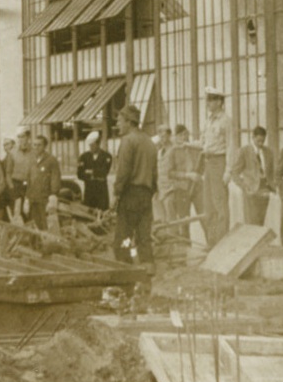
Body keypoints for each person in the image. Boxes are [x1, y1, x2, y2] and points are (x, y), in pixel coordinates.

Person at [112, 104, 157, 264]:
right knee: (144, 239)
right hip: (146, 196)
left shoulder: (128, 141)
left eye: (119, 121)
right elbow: (154, 175)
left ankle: (127, 279)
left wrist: (117, 193)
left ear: (129, 122)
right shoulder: (149, 142)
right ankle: (147, 280)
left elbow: (123, 172)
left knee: (123, 241)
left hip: (130, 196)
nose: (117, 124)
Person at [199, 87, 234, 247]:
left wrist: (228, 170)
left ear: (220, 101)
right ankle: (212, 243)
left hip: (219, 164)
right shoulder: (209, 120)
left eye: (211, 100)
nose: (208, 103)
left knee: (220, 205)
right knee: (209, 205)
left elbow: (230, 146)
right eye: (207, 100)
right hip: (208, 163)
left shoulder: (226, 120)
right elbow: (203, 144)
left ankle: (222, 244)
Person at [165, 125, 203, 240]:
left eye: (186, 134)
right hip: (181, 190)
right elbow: (170, 173)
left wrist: (199, 175)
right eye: (180, 135)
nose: (184, 137)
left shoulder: (194, 149)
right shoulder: (172, 152)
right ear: (175, 137)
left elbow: (202, 164)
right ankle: (186, 251)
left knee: (206, 218)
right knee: (184, 223)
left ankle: (213, 248)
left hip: (197, 188)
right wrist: (187, 175)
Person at [231, 126, 274, 227]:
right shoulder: (244, 151)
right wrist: (244, 186)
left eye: (263, 141)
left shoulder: (268, 152)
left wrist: (272, 186)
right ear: (253, 137)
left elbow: (271, 172)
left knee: (261, 222)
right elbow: (234, 172)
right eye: (258, 140)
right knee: (251, 223)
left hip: (265, 191)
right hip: (251, 192)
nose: (260, 143)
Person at [26, 135, 61, 232]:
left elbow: (55, 178)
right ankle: (35, 246)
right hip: (33, 199)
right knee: (34, 226)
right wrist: (27, 197)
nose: (36, 147)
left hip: (45, 199)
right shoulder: (32, 159)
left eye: (39, 145)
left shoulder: (51, 160)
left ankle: (47, 245)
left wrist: (53, 195)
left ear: (45, 146)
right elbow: (29, 179)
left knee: (45, 225)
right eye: (34, 145)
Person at [76, 131, 112, 211]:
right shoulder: (84, 157)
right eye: (90, 145)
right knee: (89, 212)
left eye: (93, 145)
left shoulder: (106, 156)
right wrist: (95, 174)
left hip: (101, 191)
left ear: (98, 144)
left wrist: (90, 172)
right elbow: (79, 174)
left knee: (102, 212)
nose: (91, 148)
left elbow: (104, 173)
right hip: (89, 190)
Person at [6, 131, 37, 221]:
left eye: (23, 136)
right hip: (16, 185)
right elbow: (8, 172)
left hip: (30, 185)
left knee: (30, 211)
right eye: (19, 137)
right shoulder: (12, 153)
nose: (21, 139)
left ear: (28, 137)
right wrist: (11, 187)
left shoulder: (34, 152)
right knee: (17, 212)